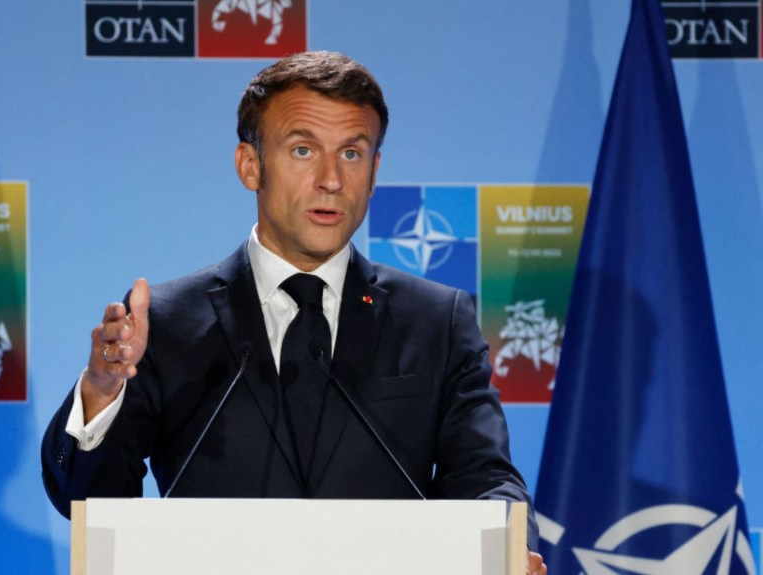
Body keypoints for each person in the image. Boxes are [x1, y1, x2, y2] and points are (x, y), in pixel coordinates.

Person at [42, 51, 547, 574]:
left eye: (352, 154)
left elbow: (486, 478)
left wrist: (504, 549)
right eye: (303, 150)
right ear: (250, 165)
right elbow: (92, 501)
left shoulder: (436, 320)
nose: (331, 179)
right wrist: (101, 395)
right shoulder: (166, 322)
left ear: (375, 172)